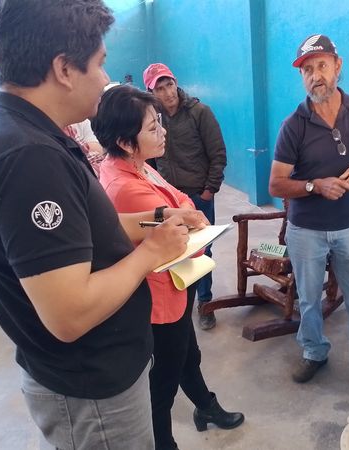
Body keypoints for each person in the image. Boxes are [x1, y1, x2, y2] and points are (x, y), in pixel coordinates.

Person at [0, 1, 200, 448]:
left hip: (89, 377)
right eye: (100, 63)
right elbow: (70, 314)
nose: (106, 79)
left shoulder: (19, 133)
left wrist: (158, 219)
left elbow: (87, 230)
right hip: (91, 389)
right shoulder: (28, 158)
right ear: (64, 69)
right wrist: (151, 252)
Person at [93, 85, 244, 450]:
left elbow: (182, 200)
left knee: (188, 355)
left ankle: (206, 406)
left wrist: (184, 211)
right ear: (125, 142)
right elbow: (186, 233)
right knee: (162, 383)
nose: (163, 132)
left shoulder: (138, 166)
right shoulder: (124, 186)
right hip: (158, 296)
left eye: (159, 123)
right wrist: (184, 214)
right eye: (152, 128)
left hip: (174, 286)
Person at [268, 34, 349, 407]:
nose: (315, 76)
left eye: (321, 66)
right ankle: (314, 352)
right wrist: (314, 185)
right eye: (307, 70)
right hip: (306, 230)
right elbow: (276, 183)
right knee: (309, 300)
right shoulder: (294, 125)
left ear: (338, 66)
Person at [143, 63, 227, 330]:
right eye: (159, 88)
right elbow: (149, 159)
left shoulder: (199, 112)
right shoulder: (152, 120)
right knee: (174, 251)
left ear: (176, 83)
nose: (167, 92)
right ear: (151, 92)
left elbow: (218, 154)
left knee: (202, 250)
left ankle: (205, 303)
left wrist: (208, 191)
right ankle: (183, 304)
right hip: (166, 200)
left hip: (198, 196)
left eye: (169, 84)